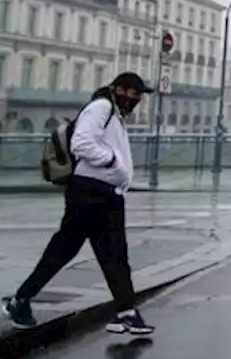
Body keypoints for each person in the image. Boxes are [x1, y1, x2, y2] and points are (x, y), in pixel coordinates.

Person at [3, 73, 156, 335]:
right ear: (118, 89)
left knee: (114, 254)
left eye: (139, 95)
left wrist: (118, 175)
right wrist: (111, 162)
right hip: (89, 191)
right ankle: (21, 300)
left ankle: (126, 313)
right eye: (133, 93)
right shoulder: (102, 107)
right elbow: (82, 143)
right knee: (65, 251)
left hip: (108, 194)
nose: (137, 99)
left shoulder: (114, 113)